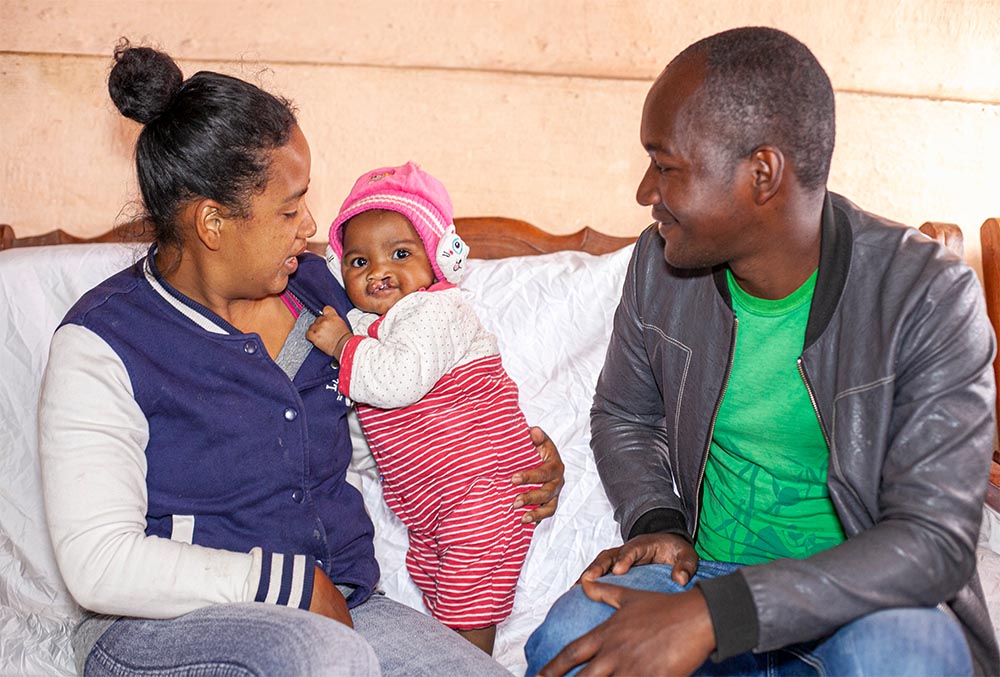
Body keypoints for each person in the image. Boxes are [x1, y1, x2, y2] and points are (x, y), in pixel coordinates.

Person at [38, 41, 564, 677]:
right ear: (212, 223)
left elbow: (403, 409)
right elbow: (99, 563)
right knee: (322, 659)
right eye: (289, 209)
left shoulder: (322, 294)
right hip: (164, 628)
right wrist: (284, 585)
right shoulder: (104, 341)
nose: (310, 223)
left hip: (345, 607)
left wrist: (502, 462)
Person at [524, 26, 998, 677]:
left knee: (908, 657)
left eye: (665, 166)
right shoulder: (657, 269)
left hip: (863, 597)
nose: (644, 191)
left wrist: (719, 614)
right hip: (702, 574)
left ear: (762, 173)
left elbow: (933, 542)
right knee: (570, 643)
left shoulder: (925, 295)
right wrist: (658, 520)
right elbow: (624, 416)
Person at [306, 161, 541, 655]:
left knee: (467, 602)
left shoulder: (435, 309)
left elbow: (397, 382)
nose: (379, 271)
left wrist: (342, 346)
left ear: (439, 259)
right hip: (433, 504)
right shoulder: (374, 328)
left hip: (483, 491)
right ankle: (458, 658)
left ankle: (471, 665)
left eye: (400, 253)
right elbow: (370, 423)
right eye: (358, 262)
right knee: (439, 587)